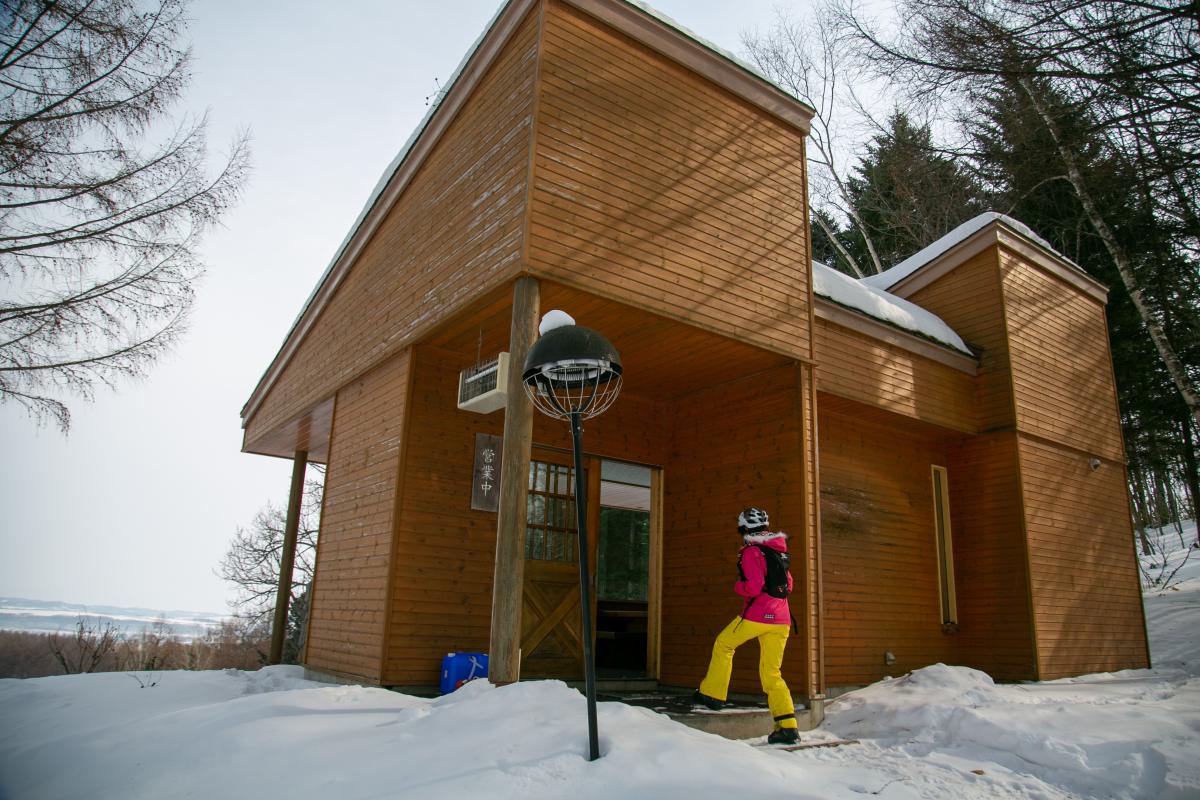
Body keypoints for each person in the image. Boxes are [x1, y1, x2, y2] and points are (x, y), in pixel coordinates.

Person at [693, 508, 800, 745]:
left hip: (756, 615)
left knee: (723, 644)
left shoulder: (752, 551)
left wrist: (737, 587)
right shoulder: (780, 550)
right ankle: (787, 727)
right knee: (772, 674)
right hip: (781, 620)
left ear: (743, 529)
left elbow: (753, 586)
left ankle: (713, 696)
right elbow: (789, 586)